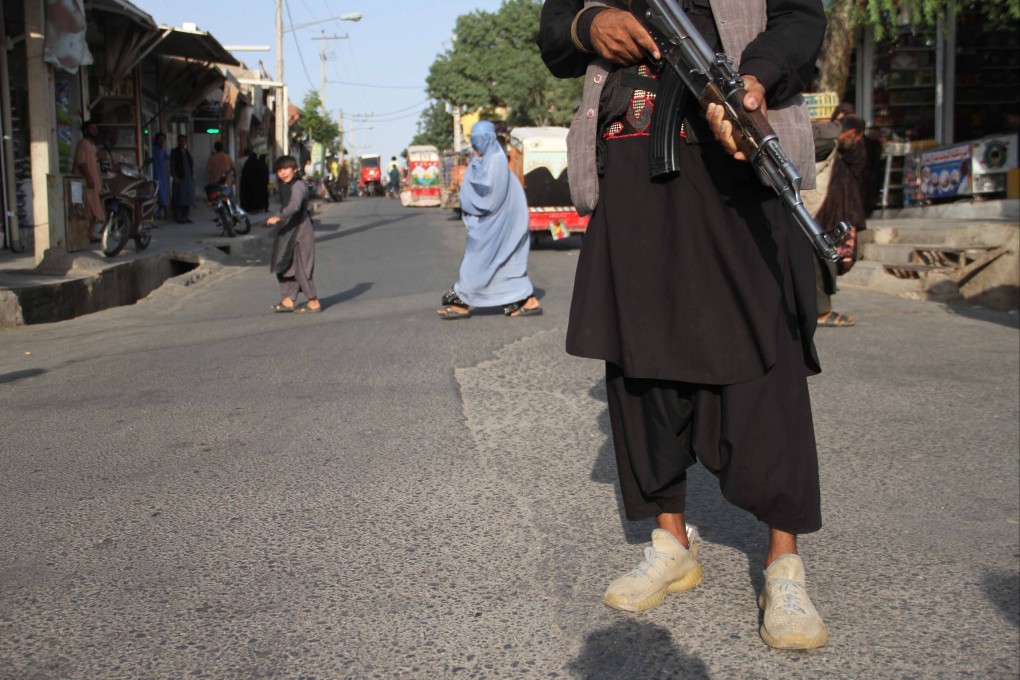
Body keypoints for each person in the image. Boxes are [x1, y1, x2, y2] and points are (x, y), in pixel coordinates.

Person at [538, 0, 828, 650]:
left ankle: (784, 562)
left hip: (737, 152)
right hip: (632, 161)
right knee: (641, 366)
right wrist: (590, 28)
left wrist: (752, 81)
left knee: (766, 363)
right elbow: (554, 30)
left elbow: (801, 18)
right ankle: (671, 544)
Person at [437, 120, 542, 320]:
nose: (477, 143)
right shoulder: (486, 159)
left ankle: (462, 301)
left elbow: (490, 200)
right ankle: (527, 301)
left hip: (501, 223)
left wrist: (471, 185)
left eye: (480, 138)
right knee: (502, 264)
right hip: (492, 224)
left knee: (477, 262)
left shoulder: (496, 160)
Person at [807, 104, 859, 327]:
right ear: (850, 133)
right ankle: (820, 312)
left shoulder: (828, 139)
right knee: (818, 259)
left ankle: (819, 309)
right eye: (856, 139)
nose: (855, 144)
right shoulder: (826, 140)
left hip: (817, 208)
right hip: (809, 207)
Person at [266, 155, 321, 313]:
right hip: (288, 229)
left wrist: (280, 216)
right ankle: (288, 300)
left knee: (301, 266)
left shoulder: (297, 185)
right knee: (284, 264)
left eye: (286, 169)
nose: (282, 173)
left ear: (295, 170)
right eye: (279, 170)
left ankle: (313, 301)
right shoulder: (284, 185)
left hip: (300, 229)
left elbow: (295, 205)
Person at [73, 120, 105, 242]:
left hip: (94, 183)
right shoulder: (83, 144)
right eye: (91, 128)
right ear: (85, 130)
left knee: (95, 208)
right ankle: (84, 234)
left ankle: (90, 233)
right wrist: (89, 177)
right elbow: (82, 162)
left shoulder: (92, 145)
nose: (94, 131)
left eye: (95, 129)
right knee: (88, 209)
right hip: (86, 182)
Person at [170, 134, 195, 223]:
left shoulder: (186, 152)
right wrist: (175, 176)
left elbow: (190, 164)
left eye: (184, 141)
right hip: (180, 178)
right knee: (179, 198)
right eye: (181, 141)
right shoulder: (174, 152)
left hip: (188, 178)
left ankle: (185, 216)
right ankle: (178, 217)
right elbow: (172, 165)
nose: (183, 142)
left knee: (188, 198)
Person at [239, 148, 270, 213]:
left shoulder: (249, 163)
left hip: (249, 185)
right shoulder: (262, 164)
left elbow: (244, 175)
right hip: (260, 185)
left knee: (251, 195)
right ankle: (262, 206)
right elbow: (265, 175)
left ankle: (252, 208)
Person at [151, 132, 169, 219]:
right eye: (160, 140)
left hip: (162, 175)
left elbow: (168, 157)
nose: (162, 142)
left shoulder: (162, 151)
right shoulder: (152, 149)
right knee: (156, 195)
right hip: (153, 175)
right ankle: (155, 213)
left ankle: (159, 213)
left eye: (163, 140)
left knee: (162, 196)